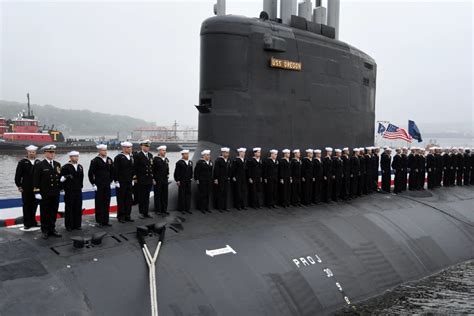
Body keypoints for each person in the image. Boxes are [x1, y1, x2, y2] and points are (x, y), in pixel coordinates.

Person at [33, 145, 62, 239]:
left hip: (55, 193)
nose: (51, 154)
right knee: (45, 212)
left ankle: (52, 229)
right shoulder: (40, 165)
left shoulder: (57, 164)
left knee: (54, 211)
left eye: (53, 152)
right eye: (49, 152)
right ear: (45, 153)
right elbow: (36, 179)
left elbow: (58, 178)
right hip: (45, 193)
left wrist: (61, 188)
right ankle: (45, 230)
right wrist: (36, 192)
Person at [14, 145, 40, 229]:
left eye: (33, 152)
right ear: (27, 152)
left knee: (34, 205)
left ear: (35, 153)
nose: (31, 153)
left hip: (36, 188)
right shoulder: (22, 162)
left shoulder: (38, 162)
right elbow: (18, 176)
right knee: (26, 205)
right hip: (26, 188)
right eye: (30, 152)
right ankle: (27, 223)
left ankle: (33, 222)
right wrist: (19, 186)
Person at [88, 144, 114, 227]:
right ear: (99, 151)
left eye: (106, 150)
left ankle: (106, 220)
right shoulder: (95, 161)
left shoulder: (109, 160)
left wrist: (111, 180)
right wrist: (93, 183)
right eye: (103, 150)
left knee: (107, 202)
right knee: (99, 202)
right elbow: (90, 173)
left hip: (107, 184)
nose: (105, 152)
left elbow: (112, 171)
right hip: (99, 185)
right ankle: (99, 220)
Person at [61, 151, 84, 231]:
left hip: (78, 190)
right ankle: (69, 225)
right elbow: (62, 179)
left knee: (78, 207)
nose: (76, 158)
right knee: (69, 208)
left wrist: (80, 187)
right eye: (74, 156)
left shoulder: (80, 166)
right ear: (70, 157)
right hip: (69, 190)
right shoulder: (65, 167)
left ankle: (77, 224)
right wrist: (62, 189)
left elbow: (81, 178)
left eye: (77, 156)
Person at [114, 142, 135, 223]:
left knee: (128, 199)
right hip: (121, 182)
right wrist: (116, 181)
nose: (130, 149)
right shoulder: (118, 157)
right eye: (128, 147)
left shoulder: (131, 157)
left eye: (130, 147)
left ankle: (127, 215)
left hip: (129, 181)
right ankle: (121, 216)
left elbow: (132, 169)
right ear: (124, 148)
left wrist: (132, 179)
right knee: (121, 199)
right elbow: (115, 170)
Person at [134, 140, 154, 219]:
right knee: (142, 197)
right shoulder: (138, 156)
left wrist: (152, 178)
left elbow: (151, 167)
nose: (147, 148)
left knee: (147, 196)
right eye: (146, 146)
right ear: (142, 146)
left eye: (148, 146)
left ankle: (146, 212)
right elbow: (135, 167)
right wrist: (135, 178)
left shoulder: (150, 155)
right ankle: (141, 212)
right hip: (141, 179)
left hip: (148, 179)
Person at [174, 149, 193, 214]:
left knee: (188, 194)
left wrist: (191, 177)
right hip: (182, 181)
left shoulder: (190, 162)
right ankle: (181, 209)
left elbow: (191, 171)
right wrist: (177, 180)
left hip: (188, 181)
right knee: (182, 195)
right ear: (182, 155)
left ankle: (187, 208)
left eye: (187, 154)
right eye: (185, 154)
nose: (187, 155)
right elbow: (176, 172)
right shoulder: (179, 162)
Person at [153, 145, 170, 215]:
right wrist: (153, 179)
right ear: (159, 151)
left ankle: (164, 209)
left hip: (165, 180)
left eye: (165, 150)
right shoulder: (155, 159)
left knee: (164, 195)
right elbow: (152, 170)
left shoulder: (166, 159)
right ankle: (158, 210)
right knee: (158, 195)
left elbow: (167, 169)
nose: (164, 152)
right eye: (163, 150)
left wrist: (168, 174)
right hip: (157, 180)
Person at [213, 147, 231, 211]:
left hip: (226, 179)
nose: (227, 154)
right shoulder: (218, 160)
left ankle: (225, 207)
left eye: (228, 153)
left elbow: (229, 169)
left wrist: (229, 176)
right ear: (222, 153)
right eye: (226, 153)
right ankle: (219, 207)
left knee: (225, 193)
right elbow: (216, 170)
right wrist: (216, 178)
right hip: (220, 179)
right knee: (220, 192)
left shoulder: (228, 160)